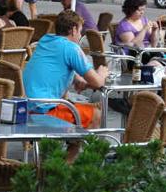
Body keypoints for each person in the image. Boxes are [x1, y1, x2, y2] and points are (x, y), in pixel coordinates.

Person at [23, 10, 108, 160]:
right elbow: (98, 82)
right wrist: (103, 72)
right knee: (96, 115)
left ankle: (66, 160)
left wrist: (76, 78)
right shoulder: (71, 48)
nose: (80, 36)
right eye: (80, 31)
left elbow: (54, 66)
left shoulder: (46, 40)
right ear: (73, 29)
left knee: (81, 111)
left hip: (27, 107)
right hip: (44, 111)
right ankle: (76, 164)